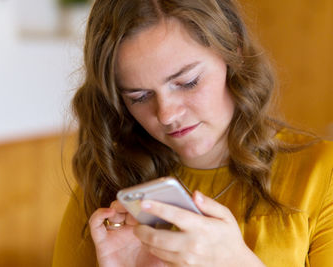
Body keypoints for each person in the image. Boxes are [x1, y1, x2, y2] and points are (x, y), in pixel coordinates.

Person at [52, 0, 333, 266]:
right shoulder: (108, 189)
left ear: (233, 48)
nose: (167, 115)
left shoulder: (322, 175)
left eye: (187, 82)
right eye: (139, 96)